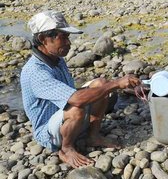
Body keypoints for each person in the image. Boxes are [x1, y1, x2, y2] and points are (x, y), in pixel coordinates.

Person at [20, 11, 141, 168]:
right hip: (49, 133)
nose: (68, 43)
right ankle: (66, 148)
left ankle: (93, 136)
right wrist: (117, 84)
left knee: (100, 84)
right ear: (43, 39)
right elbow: (76, 99)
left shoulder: (56, 59)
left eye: (67, 37)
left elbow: (74, 94)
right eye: (62, 37)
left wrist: (112, 86)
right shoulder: (36, 72)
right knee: (77, 108)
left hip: (64, 118)